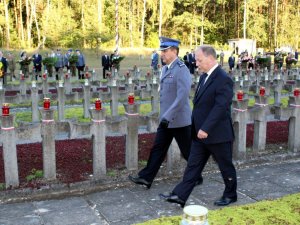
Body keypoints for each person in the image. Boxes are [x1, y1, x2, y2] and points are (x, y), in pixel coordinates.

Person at [160, 45, 237, 208]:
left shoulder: (223, 79)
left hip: (217, 135)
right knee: (193, 167)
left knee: (225, 166)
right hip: (199, 134)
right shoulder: (203, 77)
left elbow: (220, 107)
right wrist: (197, 128)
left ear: (210, 58)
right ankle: (180, 196)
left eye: (199, 60)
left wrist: (206, 128)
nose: (196, 64)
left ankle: (231, 195)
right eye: (196, 60)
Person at [128, 36, 203, 189]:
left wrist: (168, 116)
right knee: (158, 148)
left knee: (187, 151)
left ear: (174, 51)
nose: (162, 54)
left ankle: (196, 176)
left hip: (179, 120)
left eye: (165, 51)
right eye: (161, 51)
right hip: (167, 119)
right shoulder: (164, 69)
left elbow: (182, 97)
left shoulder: (182, 69)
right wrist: (165, 116)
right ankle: (146, 178)